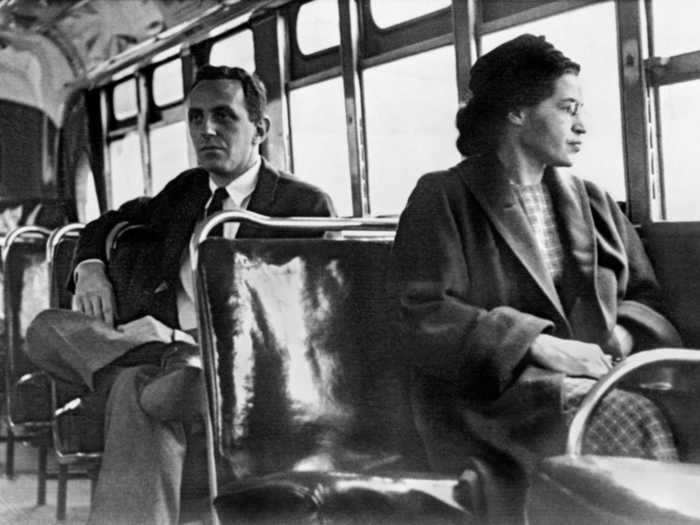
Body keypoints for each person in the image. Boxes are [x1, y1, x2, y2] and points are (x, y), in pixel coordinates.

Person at [26, 65, 335, 525]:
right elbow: (107, 222)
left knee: (134, 389)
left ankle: (162, 358)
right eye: (195, 118)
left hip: (241, 369)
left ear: (259, 128)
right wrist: (90, 268)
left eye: (224, 116)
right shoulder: (186, 192)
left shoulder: (302, 206)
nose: (206, 129)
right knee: (46, 329)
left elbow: (304, 324)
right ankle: (162, 354)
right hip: (168, 359)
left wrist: (186, 337)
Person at [390, 34, 682, 519]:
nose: (582, 125)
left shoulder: (593, 200)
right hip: (495, 402)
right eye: (568, 108)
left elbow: (645, 298)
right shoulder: (443, 196)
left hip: (598, 377)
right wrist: (535, 345)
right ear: (517, 112)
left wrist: (618, 338)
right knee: (628, 416)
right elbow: (422, 314)